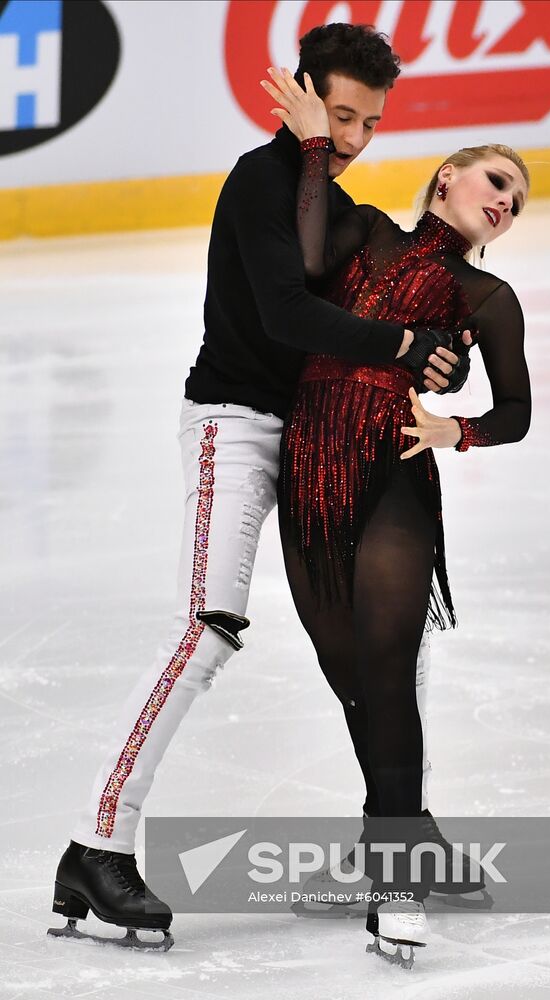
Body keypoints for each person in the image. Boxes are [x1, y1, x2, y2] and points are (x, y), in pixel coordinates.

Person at [47, 24, 470, 952]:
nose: (358, 137)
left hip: (319, 436)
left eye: (372, 121)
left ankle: (396, 821)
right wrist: (400, 345)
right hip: (235, 426)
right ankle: (96, 842)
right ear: (308, 96)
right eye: (343, 116)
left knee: (383, 631)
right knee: (205, 628)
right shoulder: (259, 181)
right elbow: (287, 312)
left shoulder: (333, 196)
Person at [265, 67, 532, 967]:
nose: (507, 203)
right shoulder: (366, 236)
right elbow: (300, 261)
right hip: (309, 465)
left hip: (395, 485)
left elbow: (518, 414)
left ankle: (398, 877)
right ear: (447, 177)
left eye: (518, 203)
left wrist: (458, 430)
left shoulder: (490, 300)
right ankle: (408, 829)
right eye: (498, 181)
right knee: (347, 675)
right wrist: (313, 143)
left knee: (385, 674)